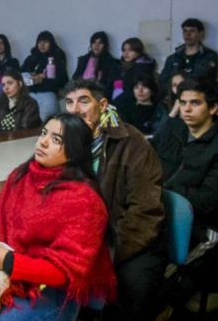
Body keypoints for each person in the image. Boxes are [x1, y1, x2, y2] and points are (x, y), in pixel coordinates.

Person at [0, 113, 116, 320]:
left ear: (75, 150)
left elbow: (67, 270)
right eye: (44, 133)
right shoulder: (22, 175)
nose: (43, 142)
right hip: (9, 271)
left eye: (56, 140)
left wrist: (11, 262)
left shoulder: (85, 201)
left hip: (54, 287)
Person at [63, 79, 164, 321]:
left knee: (129, 288)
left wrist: (106, 253)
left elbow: (145, 211)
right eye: (69, 102)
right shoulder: (68, 144)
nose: (75, 109)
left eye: (83, 101)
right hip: (84, 240)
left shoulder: (132, 142)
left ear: (103, 104)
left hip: (128, 240)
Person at [152, 78, 218, 232]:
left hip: (197, 225)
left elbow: (205, 201)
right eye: (182, 103)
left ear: (213, 108)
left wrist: (159, 190)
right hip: (156, 212)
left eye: (195, 103)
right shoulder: (172, 129)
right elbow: (146, 164)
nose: (186, 109)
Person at [159, 18, 218, 90]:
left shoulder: (210, 57)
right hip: (176, 98)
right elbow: (163, 81)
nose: (187, 34)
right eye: (185, 31)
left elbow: (213, 82)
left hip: (199, 97)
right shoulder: (172, 58)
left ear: (200, 33)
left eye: (192, 31)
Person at [21, 30, 69, 122]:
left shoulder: (57, 58)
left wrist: (43, 80)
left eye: (45, 42)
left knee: (41, 124)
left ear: (51, 43)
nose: (42, 45)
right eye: (40, 42)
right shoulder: (31, 58)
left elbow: (63, 80)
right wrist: (31, 77)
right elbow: (20, 75)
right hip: (30, 95)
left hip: (47, 95)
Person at [72, 31, 119, 96]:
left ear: (105, 45)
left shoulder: (111, 62)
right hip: (81, 92)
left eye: (100, 43)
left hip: (98, 95)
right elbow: (75, 77)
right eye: (94, 42)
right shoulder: (83, 60)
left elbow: (109, 86)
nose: (96, 45)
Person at [0, 68, 41, 133]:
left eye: (10, 83)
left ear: (20, 84)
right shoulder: (0, 102)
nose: (6, 88)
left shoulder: (30, 104)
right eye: (3, 85)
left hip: (19, 140)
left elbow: (25, 130)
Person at [114, 37, 157, 103]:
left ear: (138, 51)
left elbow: (133, 89)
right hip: (117, 101)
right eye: (124, 50)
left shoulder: (142, 68)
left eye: (130, 50)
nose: (126, 53)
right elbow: (117, 84)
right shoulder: (121, 66)